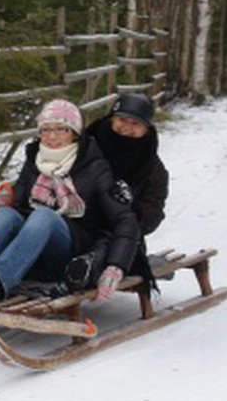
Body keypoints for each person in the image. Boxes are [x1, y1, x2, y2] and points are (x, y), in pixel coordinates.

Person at [0, 98, 140, 304]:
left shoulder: (95, 166)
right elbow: (15, 211)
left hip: (70, 253)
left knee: (44, 215)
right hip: (29, 249)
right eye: (45, 130)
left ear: (75, 133)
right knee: (6, 214)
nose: (52, 137)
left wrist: (116, 266)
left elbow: (125, 220)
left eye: (61, 129)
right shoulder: (35, 161)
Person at [66, 92, 170, 299]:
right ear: (111, 118)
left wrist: (132, 204)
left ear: (146, 129)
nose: (127, 128)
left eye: (136, 124)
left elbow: (152, 218)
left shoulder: (153, 170)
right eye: (122, 120)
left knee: (108, 242)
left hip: (119, 236)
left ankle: (89, 269)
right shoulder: (84, 146)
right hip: (74, 224)